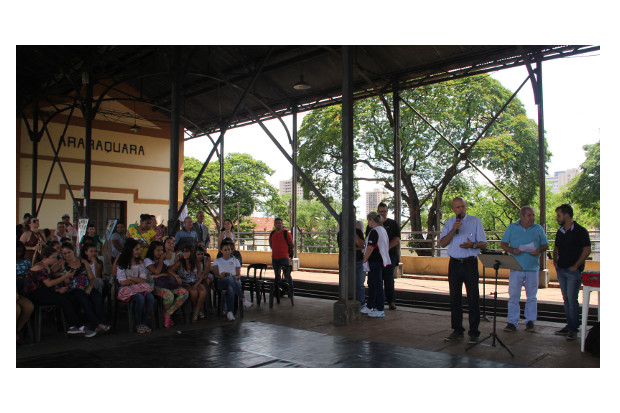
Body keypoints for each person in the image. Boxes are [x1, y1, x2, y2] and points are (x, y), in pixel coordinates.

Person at [440, 197, 487, 343]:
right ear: (453, 209)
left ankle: (474, 332)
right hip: (454, 263)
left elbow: (484, 243)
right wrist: (454, 229)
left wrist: (472, 245)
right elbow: (442, 243)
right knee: (455, 298)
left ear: (466, 207)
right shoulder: (449, 223)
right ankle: (457, 330)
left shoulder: (475, 221)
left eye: (462, 207)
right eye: (457, 207)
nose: (461, 210)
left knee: (473, 298)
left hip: (469, 264)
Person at [500, 206, 549, 333]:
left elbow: (545, 245)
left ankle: (530, 321)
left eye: (533, 215)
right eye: (529, 215)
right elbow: (503, 244)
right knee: (513, 296)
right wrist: (512, 250)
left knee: (532, 296)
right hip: (516, 267)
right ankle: (512, 322)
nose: (532, 218)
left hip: (532, 267)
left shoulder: (538, 228)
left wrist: (539, 250)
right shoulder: (512, 227)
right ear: (521, 216)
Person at [23, 246, 86, 335]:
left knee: (70, 298)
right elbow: (48, 283)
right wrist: (65, 276)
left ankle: (72, 324)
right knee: (64, 300)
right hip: (35, 295)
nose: (55, 259)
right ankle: (75, 325)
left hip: (43, 292)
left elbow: (46, 284)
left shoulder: (45, 266)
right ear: (45, 257)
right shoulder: (39, 267)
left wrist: (57, 289)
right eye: (53, 257)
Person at [553, 203, 592, 340]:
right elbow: (556, 248)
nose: (557, 218)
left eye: (559, 215)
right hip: (562, 270)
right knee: (566, 300)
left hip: (573, 272)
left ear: (567, 215)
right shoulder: (560, 232)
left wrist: (576, 266)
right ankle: (570, 325)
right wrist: (555, 262)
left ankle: (573, 329)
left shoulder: (581, 231)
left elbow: (587, 250)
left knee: (572, 300)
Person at [61, 242, 109, 337]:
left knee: (97, 297)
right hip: (73, 289)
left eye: (69, 252)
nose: (67, 255)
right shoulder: (62, 263)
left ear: (73, 251)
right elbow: (51, 273)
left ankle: (96, 325)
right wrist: (62, 276)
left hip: (86, 286)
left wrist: (89, 287)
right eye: (64, 253)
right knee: (83, 298)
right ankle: (97, 323)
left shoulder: (83, 261)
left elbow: (92, 277)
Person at [144, 241, 188, 328]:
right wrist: (160, 261)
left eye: (161, 250)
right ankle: (165, 316)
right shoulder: (147, 260)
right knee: (169, 296)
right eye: (158, 250)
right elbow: (156, 271)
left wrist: (160, 275)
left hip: (166, 284)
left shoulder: (166, 261)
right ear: (152, 251)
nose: (160, 253)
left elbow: (168, 272)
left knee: (184, 293)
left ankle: (167, 313)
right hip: (154, 286)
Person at [115, 238, 154, 334]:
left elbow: (143, 279)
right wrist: (135, 280)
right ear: (130, 249)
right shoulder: (122, 262)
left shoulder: (139, 262)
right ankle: (138, 323)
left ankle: (144, 322)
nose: (139, 251)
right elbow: (122, 282)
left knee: (150, 297)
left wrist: (131, 278)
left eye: (139, 249)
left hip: (138, 287)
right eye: (136, 249)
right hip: (126, 289)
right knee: (140, 299)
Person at [212, 239, 253, 321]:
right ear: (221, 251)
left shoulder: (235, 260)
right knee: (229, 279)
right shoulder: (217, 261)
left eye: (229, 250)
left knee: (231, 287)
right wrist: (221, 275)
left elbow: (238, 275)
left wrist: (235, 277)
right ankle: (243, 299)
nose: (227, 251)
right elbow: (216, 275)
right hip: (222, 281)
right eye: (225, 250)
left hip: (233, 282)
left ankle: (229, 312)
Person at [362, 212, 391, 318]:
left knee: (377, 285)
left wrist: (364, 260)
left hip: (375, 261)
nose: (368, 222)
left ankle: (380, 308)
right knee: (373, 284)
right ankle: (370, 306)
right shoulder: (382, 230)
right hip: (379, 261)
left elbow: (370, 247)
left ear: (372, 220)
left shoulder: (375, 231)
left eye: (368, 220)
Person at [168, 244, 206, 322]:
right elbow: (169, 269)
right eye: (183, 252)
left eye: (186, 252)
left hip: (195, 281)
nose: (184, 254)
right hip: (185, 282)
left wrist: (196, 284)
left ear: (191, 253)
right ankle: (197, 311)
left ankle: (196, 310)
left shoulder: (196, 262)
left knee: (202, 292)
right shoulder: (180, 262)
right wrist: (176, 276)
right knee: (193, 292)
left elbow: (200, 277)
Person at [376, 202, 401, 310]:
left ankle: (391, 301)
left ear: (387, 211)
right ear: (378, 212)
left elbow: (397, 239)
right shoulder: (373, 224)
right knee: (377, 278)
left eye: (384, 211)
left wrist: (386, 248)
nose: (382, 213)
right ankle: (378, 301)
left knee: (389, 279)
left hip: (390, 255)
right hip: (377, 256)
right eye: (381, 211)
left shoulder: (393, 224)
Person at [268, 217, 295, 284]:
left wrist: (288, 252)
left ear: (282, 224)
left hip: (284, 258)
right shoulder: (272, 234)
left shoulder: (286, 233)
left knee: (287, 275)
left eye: (280, 223)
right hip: (275, 258)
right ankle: (278, 291)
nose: (278, 224)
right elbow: (271, 244)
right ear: (274, 225)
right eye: (277, 223)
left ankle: (290, 291)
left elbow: (292, 245)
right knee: (277, 276)